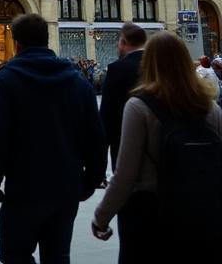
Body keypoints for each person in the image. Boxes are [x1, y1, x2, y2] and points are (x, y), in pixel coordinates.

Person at [0, 13, 105, 264]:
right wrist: (90, 180)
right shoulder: (78, 80)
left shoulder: (6, 79)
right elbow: (95, 136)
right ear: (47, 40)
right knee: (58, 256)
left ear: (17, 43)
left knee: (14, 254)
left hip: (23, 188)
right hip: (65, 187)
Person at [92, 32, 222, 259]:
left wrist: (101, 218)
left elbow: (125, 175)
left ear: (148, 63)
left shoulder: (139, 107)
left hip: (149, 220)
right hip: (202, 215)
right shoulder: (211, 109)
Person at [99, 22, 146, 170]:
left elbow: (107, 115)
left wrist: (99, 163)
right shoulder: (156, 65)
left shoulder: (116, 69)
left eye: (119, 42)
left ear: (124, 42)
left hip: (123, 143)